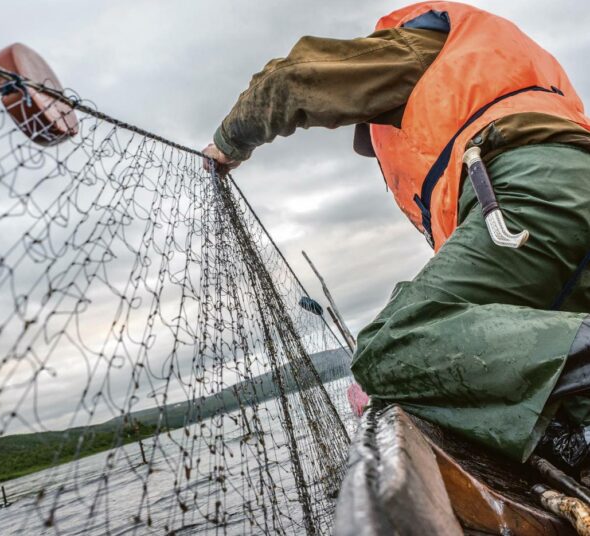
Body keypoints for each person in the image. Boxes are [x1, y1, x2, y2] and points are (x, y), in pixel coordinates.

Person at [203, 1, 590, 467]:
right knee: (530, 364)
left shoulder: (416, 44)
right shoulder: (514, 67)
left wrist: (228, 144)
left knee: (388, 348)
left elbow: (292, 80)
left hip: (527, 192)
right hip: (556, 204)